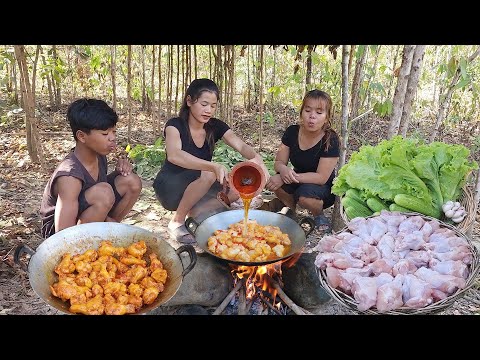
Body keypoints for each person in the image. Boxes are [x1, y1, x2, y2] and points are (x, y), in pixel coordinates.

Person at [153, 78, 269, 244]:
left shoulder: (215, 126)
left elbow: (241, 145)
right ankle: (176, 221)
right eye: (204, 104)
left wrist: (257, 159)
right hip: (170, 187)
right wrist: (212, 166)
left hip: (199, 187)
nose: (208, 110)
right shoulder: (175, 125)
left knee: (239, 187)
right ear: (189, 101)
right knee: (208, 174)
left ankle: (195, 213)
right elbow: (174, 155)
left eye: (213, 106)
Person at [40, 98, 142, 239]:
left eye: (114, 131)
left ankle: (107, 235)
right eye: (105, 134)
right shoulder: (69, 176)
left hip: (88, 216)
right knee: (103, 193)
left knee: (131, 181)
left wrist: (120, 171)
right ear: (81, 136)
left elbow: (94, 188)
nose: (112, 138)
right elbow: (62, 234)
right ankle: (90, 242)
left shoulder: (99, 156)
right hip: (59, 234)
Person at [265, 89, 340, 231]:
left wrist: (287, 178)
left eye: (319, 112)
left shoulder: (331, 139)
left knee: (304, 196)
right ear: (301, 112)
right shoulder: (292, 132)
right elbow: (278, 163)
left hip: (322, 187)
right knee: (273, 182)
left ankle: (319, 214)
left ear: (327, 117)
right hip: (297, 178)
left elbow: (321, 177)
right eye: (308, 110)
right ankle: (292, 210)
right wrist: (283, 170)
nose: (312, 117)